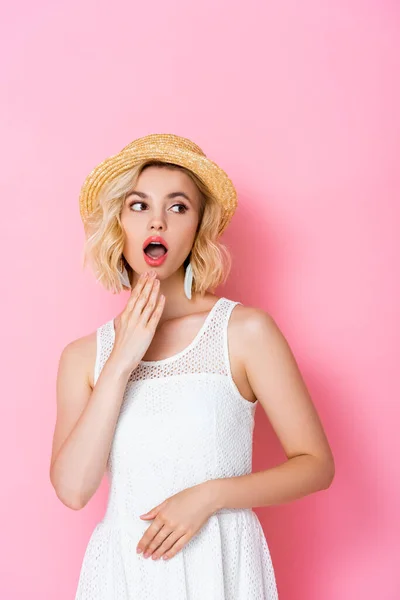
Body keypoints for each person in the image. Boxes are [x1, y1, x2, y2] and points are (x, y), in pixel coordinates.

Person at [49, 133, 335, 599]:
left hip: (219, 567)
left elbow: (316, 465)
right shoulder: (83, 357)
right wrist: (121, 362)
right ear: (119, 222)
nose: (157, 220)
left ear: (198, 227)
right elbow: (74, 490)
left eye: (178, 207)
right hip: (124, 574)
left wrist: (208, 497)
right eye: (139, 205)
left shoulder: (245, 332)